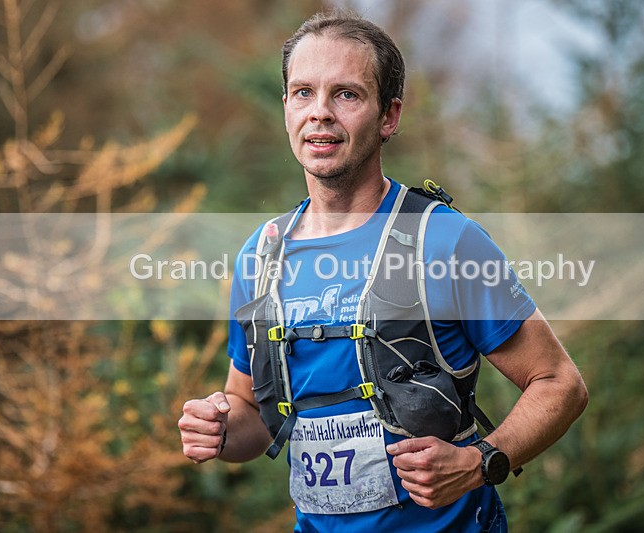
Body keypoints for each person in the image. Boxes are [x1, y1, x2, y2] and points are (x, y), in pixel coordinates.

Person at [178, 11, 588, 532]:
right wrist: (217, 430)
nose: (320, 114)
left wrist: (481, 461)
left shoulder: (445, 241)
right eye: (303, 93)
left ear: (389, 116)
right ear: (285, 108)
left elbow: (559, 383)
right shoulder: (262, 256)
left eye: (346, 95)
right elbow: (251, 416)